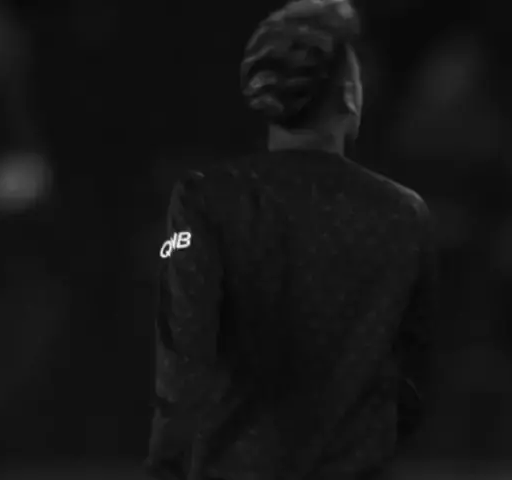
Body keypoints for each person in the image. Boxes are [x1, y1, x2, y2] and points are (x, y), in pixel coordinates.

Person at [145, 1, 437, 479]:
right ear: (348, 94)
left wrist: (166, 463)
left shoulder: (205, 201)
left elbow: (184, 353)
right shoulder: (404, 214)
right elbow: (415, 369)